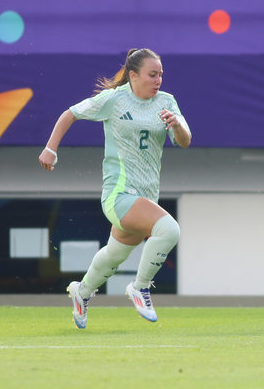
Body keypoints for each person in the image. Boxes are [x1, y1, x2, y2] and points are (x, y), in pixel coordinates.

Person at [39, 48, 191, 329]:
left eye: (160, 75)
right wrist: (51, 148)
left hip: (145, 196)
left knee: (115, 255)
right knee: (169, 230)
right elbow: (70, 113)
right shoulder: (115, 99)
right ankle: (140, 287)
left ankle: (81, 292)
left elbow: (184, 141)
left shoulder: (167, 101)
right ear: (133, 75)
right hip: (119, 193)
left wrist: (177, 124)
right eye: (152, 74)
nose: (158, 80)